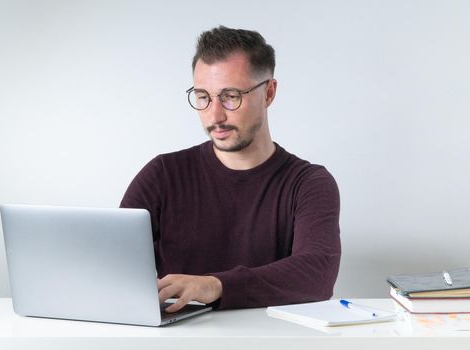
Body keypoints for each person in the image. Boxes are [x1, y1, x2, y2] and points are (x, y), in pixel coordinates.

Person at [120, 26, 340, 313]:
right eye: (203, 97)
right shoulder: (162, 174)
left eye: (231, 96)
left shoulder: (309, 183)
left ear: (269, 93)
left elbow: (317, 274)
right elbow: (112, 263)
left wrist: (216, 285)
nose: (215, 115)